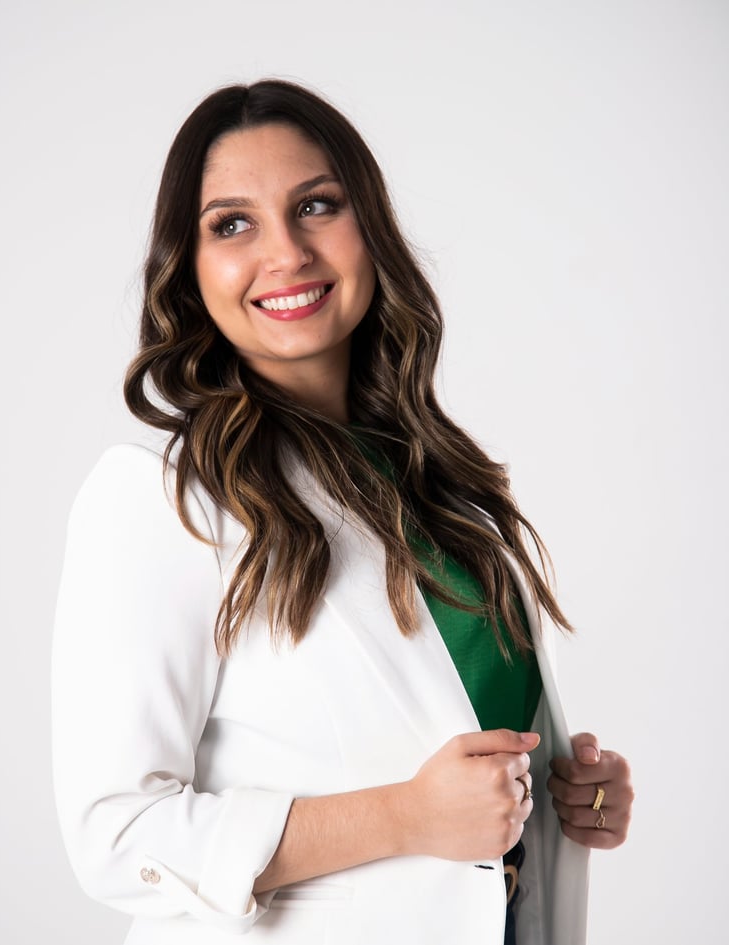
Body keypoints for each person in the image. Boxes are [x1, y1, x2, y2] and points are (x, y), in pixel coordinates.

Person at [52, 79, 633, 945]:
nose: (285, 252)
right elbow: (115, 835)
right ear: (191, 267)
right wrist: (402, 817)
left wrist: (562, 795)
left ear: (369, 226)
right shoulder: (161, 497)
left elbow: (463, 748)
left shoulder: (444, 484)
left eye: (316, 205)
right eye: (232, 223)